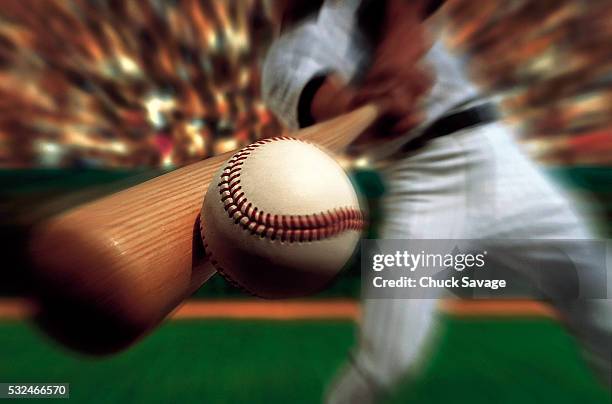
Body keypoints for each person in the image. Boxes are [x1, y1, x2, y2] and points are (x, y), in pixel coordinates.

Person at [262, 1, 611, 402]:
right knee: (388, 359)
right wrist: (373, 107)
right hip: (425, 185)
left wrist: (394, 60)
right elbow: (341, 115)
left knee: (598, 293)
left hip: (503, 160)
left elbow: (403, 10)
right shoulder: (283, 65)